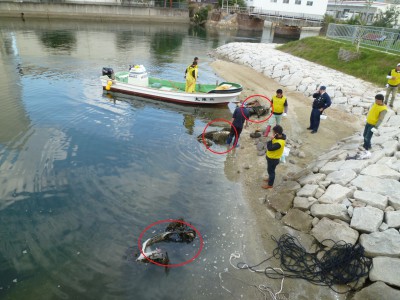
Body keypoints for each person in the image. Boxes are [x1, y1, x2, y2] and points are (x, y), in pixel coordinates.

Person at [262, 125, 286, 189]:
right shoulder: (280, 137)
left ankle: (270, 184)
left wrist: (270, 140)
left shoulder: (279, 143)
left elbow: (270, 148)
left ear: (276, 133)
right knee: (271, 170)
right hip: (272, 157)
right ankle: (270, 178)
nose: (272, 134)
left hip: (273, 159)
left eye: (273, 132)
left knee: (271, 171)